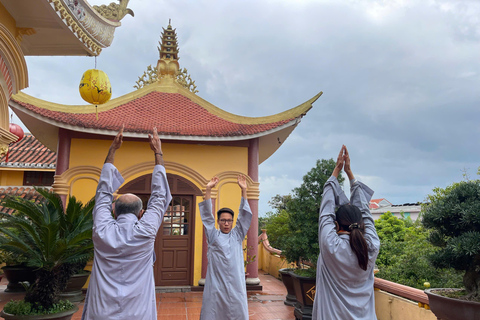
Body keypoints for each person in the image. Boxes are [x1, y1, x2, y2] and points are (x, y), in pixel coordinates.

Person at [81, 126, 172, 320]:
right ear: (141, 213)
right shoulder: (146, 231)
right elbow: (159, 196)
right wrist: (158, 152)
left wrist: (112, 151)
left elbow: (103, 194)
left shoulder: (102, 230)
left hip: (101, 311)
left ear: (113, 210)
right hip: (138, 312)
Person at [312, 145, 380, 320]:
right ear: (362, 224)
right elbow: (366, 212)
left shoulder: (331, 245)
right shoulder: (371, 246)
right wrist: (350, 175)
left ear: (336, 224)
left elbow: (326, 210)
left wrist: (336, 172)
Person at [199, 175, 252, 320]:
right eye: (223, 220)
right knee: (213, 312)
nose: (226, 223)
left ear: (232, 221)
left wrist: (244, 190)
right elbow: (207, 218)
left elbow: (244, 216)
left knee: (237, 311)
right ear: (219, 221)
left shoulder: (237, 235)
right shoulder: (213, 236)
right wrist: (208, 189)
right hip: (216, 284)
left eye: (229, 220)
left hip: (235, 284)